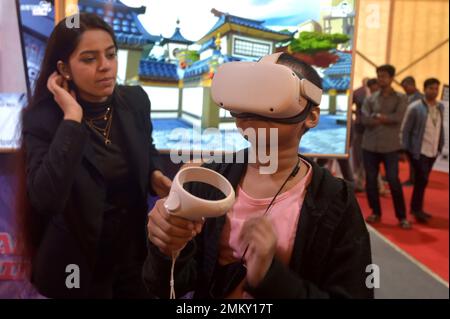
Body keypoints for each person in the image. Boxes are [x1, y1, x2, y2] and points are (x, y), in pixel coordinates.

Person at [142, 53, 373, 299]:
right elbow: (165, 283)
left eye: (270, 92)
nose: (255, 105)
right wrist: (167, 246)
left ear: (311, 116)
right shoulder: (209, 178)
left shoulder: (336, 201)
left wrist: (270, 277)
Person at [16, 13, 171, 298]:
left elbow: (146, 148)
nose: (105, 67)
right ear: (63, 68)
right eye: (89, 59)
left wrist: (154, 174)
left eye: (111, 55)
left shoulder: (135, 100)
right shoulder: (43, 119)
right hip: (75, 266)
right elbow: (45, 198)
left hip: (132, 259)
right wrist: (72, 118)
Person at [361, 64, 411, 229]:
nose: (381, 79)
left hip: (390, 147)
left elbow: (398, 117)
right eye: (379, 76)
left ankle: (402, 217)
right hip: (369, 146)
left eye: (384, 76)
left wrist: (378, 117)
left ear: (391, 78)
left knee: (393, 180)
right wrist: (383, 118)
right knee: (370, 181)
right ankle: (375, 212)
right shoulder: (370, 98)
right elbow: (364, 119)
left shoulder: (401, 98)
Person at [401, 78, 445, 223]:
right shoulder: (415, 107)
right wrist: (405, 150)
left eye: (436, 88)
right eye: (431, 88)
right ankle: (416, 209)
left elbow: (439, 127)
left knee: (422, 181)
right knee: (422, 180)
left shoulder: (440, 107)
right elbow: (405, 130)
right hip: (419, 151)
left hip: (433, 150)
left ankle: (416, 208)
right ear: (425, 89)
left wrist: (440, 145)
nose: (434, 91)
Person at [352, 78, 379, 191]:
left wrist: (356, 114)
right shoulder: (359, 92)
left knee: (367, 157)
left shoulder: (358, 92)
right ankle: (361, 182)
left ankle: (373, 184)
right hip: (362, 128)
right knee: (361, 157)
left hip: (371, 129)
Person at [400, 76, 424, 186]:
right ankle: (413, 178)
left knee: (415, 157)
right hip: (405, 131)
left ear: (412, 85)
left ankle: (414, 179)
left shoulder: (421, 99)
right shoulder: (406, 97)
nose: (404, 90)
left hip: (416, 133)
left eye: (405, 87)